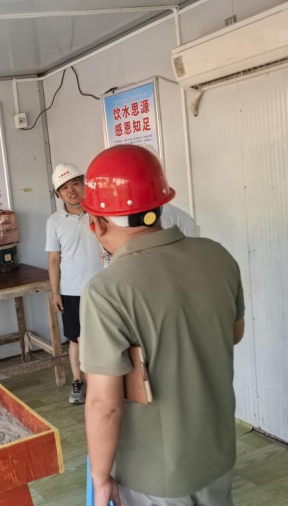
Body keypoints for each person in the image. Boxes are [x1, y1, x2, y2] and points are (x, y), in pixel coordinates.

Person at [79, 145, 245, 506]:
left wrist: (101, 478)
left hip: (154, 475)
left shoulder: (106, 290)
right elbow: (234, 334)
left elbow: (105, 404)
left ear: (97, 222)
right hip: (218, 454)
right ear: (159, 205)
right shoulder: (217, 255)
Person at [45, 163, 104, 404]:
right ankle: (78, 382)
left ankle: (102, 384)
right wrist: (55, 293)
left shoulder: (99, 211)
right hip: (71, 290)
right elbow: (53, 259)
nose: (71, 191)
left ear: (83, 184)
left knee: (102, 338)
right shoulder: (54, 222)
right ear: (58, 194)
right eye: (64, 188)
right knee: (76, 338)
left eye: (75, 184)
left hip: (102, 288)